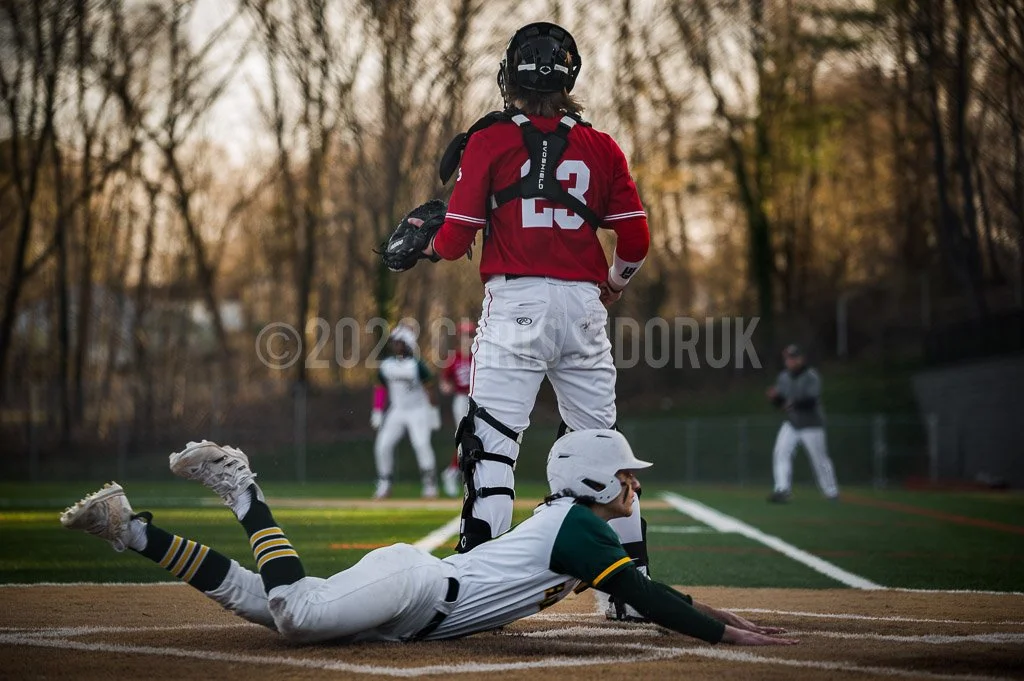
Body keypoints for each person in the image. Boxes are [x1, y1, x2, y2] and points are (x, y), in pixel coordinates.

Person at [60, 432, 797, 647]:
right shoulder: (574, 526)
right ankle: (244, 488)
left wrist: (722, 615)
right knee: (295, 615)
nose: (635, 486)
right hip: (417, 585)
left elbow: (647, 588)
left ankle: (132, 531)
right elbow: (642, 593)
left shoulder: (575, 522)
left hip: (418, 606)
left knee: (264, 603)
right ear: (599, 482)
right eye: (627, 475)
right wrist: (723, 632)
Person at [418, 22, 653, 621]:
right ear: (570, 78)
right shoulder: (601, 145)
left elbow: (454, 242)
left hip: (517, 301)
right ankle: (628, 595)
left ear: (511, 77)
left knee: (492, 445)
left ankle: (477, 584)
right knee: (603, 451)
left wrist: (428, 243)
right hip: (582, 307)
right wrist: (613, 286)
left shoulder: (490, 140)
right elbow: (635, 236)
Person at [371, 324, 442, 499]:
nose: (396, 346)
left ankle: (430, 485)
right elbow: (380, 388)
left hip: (418, 410)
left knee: (421, 445)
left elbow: (430, 389)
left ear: (408, 344)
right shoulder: (387, 365)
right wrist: (378, 410)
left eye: (399, 342)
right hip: (397, 410)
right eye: (394, 342)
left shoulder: (417, 365)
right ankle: (384, 483)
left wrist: (433, 412)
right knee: (383, 446)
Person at [766, 345, 840, 502]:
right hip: (792, 423)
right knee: (781, 453)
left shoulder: (811, 376)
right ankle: (782, 489)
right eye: (788, 358)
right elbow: (781, 402)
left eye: (793, 357)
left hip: (811, 424)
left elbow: (811, 401)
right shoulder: (784, 377)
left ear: (801, 358)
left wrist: (790, 404)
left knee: (819, 459)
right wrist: (775, 398)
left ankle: (831, 492)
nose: (790, 361)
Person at [439, 320, 476, 497]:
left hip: (478, 400)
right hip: (461, 399)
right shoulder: (454, 359)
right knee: (464, 436)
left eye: (470, 335)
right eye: (464, 336)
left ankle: (462, 473)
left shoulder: (479, 356)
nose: (467, 339)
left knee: (477, 437)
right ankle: (453, 472)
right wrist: (446, 386)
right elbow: (444, 380)